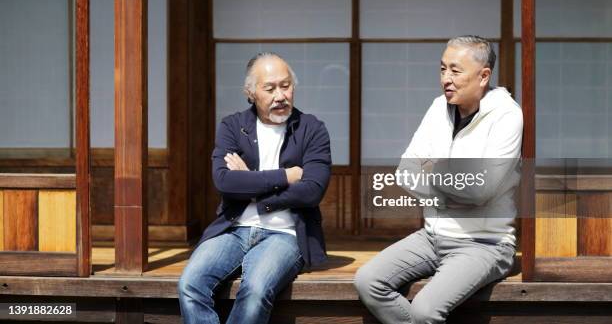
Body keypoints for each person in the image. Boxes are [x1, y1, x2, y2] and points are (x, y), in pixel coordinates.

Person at [355, 35, 523, 324]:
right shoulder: (437, 108)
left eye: (455, 71)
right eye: (442, 69)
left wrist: (433, 171)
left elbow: (480, 190)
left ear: (483, 76)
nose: (446, 78)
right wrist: (454, 184)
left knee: (425, 310)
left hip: (484, 244)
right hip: (431, 236)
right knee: (368, 281)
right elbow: (405, 171)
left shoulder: (507, 116)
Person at [178, 52, 332, 324]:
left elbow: (312, 191)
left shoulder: (312, 129)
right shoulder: (233, 127)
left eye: (285, 86)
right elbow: (225, 182)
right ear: (250, 93)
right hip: (234, 229)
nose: (280, 95)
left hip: (285, 234)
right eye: (269, 88)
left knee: (256, 290)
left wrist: (252, 184)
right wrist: (286, 175)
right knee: (190, 284)